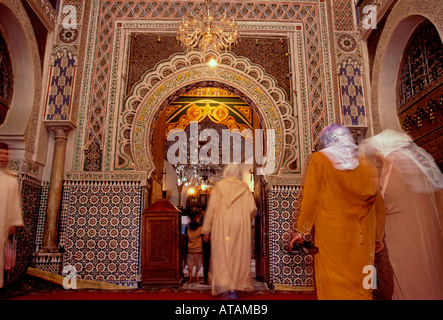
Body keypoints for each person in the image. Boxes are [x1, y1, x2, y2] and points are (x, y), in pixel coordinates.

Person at [289, 123, 386, 300]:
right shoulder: (367, 164)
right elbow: (379, 204)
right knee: (364, 281)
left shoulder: (321, 159)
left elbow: (312, 197)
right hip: (364, 235)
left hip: (333, 234)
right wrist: (378, 236)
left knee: (333, 280)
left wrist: (301, 230)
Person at [365, 129, 443, 299]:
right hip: (429, 231)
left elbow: (392, 196)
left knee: (408, 276)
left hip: (406, 230)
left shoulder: (395, 161)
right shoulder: (422, 161)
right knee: (429, 275)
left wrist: (370, 207)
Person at [202, 164, 257, 300]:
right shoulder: (245, 188)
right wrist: (245, 222)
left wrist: (206, 230)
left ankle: (224, 289)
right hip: (240, 226)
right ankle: (234, 290)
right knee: (238, 256)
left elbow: (212, 210)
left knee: (222, 256)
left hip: (221, 226)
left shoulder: (219, 187)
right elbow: (252, 209)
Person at [0, 142, 24, 288]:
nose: (2, 157)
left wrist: (13, 222)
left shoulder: (11, 178)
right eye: (0, 154)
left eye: (4, 154)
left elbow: (15, 201)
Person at [186, 211, 204, 284]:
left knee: (190, 264)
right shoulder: (201, 228)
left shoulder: (188, 227)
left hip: (190, 249)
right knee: (198, 264)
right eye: (198, 217)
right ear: (196, 218)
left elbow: (187, 238)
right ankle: (196, 276)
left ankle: (190, 278)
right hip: (199, 249)